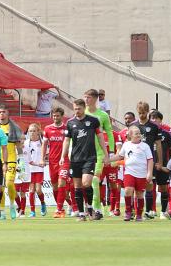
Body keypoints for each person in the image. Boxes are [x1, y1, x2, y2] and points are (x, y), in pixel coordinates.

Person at [60, 99, 107, 222]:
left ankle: (90, 207)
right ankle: (81, 214)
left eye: (79, 109)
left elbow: (100, 137)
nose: (77, 111)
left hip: (90, 157)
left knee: (86, 183)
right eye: (75, 109)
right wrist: (62, 156)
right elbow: (66, 140)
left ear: (83, 108)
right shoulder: (70, 123)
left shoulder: (93, 121)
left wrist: (106, 154)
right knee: (77, 187)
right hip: (75, 159)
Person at [108, 126, 153, 222]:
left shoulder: (145, 146)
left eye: (139, 133)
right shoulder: (126, 145)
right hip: (129, 172)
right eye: (136, 133)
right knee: (128, 190)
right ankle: (128, 212)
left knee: (139, 194)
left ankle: (139, 215)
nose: (138, 135)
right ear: (130, 135)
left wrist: (149, 173)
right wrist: (108, 159)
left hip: (141, 174)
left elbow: (150, 160)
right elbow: (120, 156)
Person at [82, 88, 114, 218]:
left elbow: (110, 134)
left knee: (95, 180)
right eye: (85, 97)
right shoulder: (81, 113)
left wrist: (110, 152)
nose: (85, 99)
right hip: (84, 153)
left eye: (88, 97)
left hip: (99, 153)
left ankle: (97, 209)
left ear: (95, 99)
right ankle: (88, 206)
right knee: (85, 183)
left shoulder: (103, 115)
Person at [130, 102, 164, 219]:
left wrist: (160, 161)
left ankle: (149, 211)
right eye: (139, 113)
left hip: (149, 160)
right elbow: (128, 144)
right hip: (135, 161)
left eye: (143, 113)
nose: (141, 115)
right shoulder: (133, 126)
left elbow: (158, 145)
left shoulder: (154, 127)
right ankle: (136, 211)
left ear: (148, 112)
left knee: (149, 185)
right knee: (136, 187)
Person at [0, 104, 24, 220]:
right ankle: (2, 211)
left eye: (4, 112)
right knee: (0, 187)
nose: (1, 114)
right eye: (0, 112)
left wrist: (21, 162)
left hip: (11, 160)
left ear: (8, 113)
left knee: (9, 184)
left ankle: (12, 204)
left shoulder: (14, 128)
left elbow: (19, 146)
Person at [23, 123, 46, 217]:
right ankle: (32, 211)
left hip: (39, 169)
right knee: (31, 191)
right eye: (30, 131)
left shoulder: (42, 142)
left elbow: (46, 155)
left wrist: (44, 161)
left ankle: (43, 203)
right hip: (29, 170)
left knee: (38, 190)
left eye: (34, 131)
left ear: (38, 132)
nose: (32, 133)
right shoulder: (25, 143)